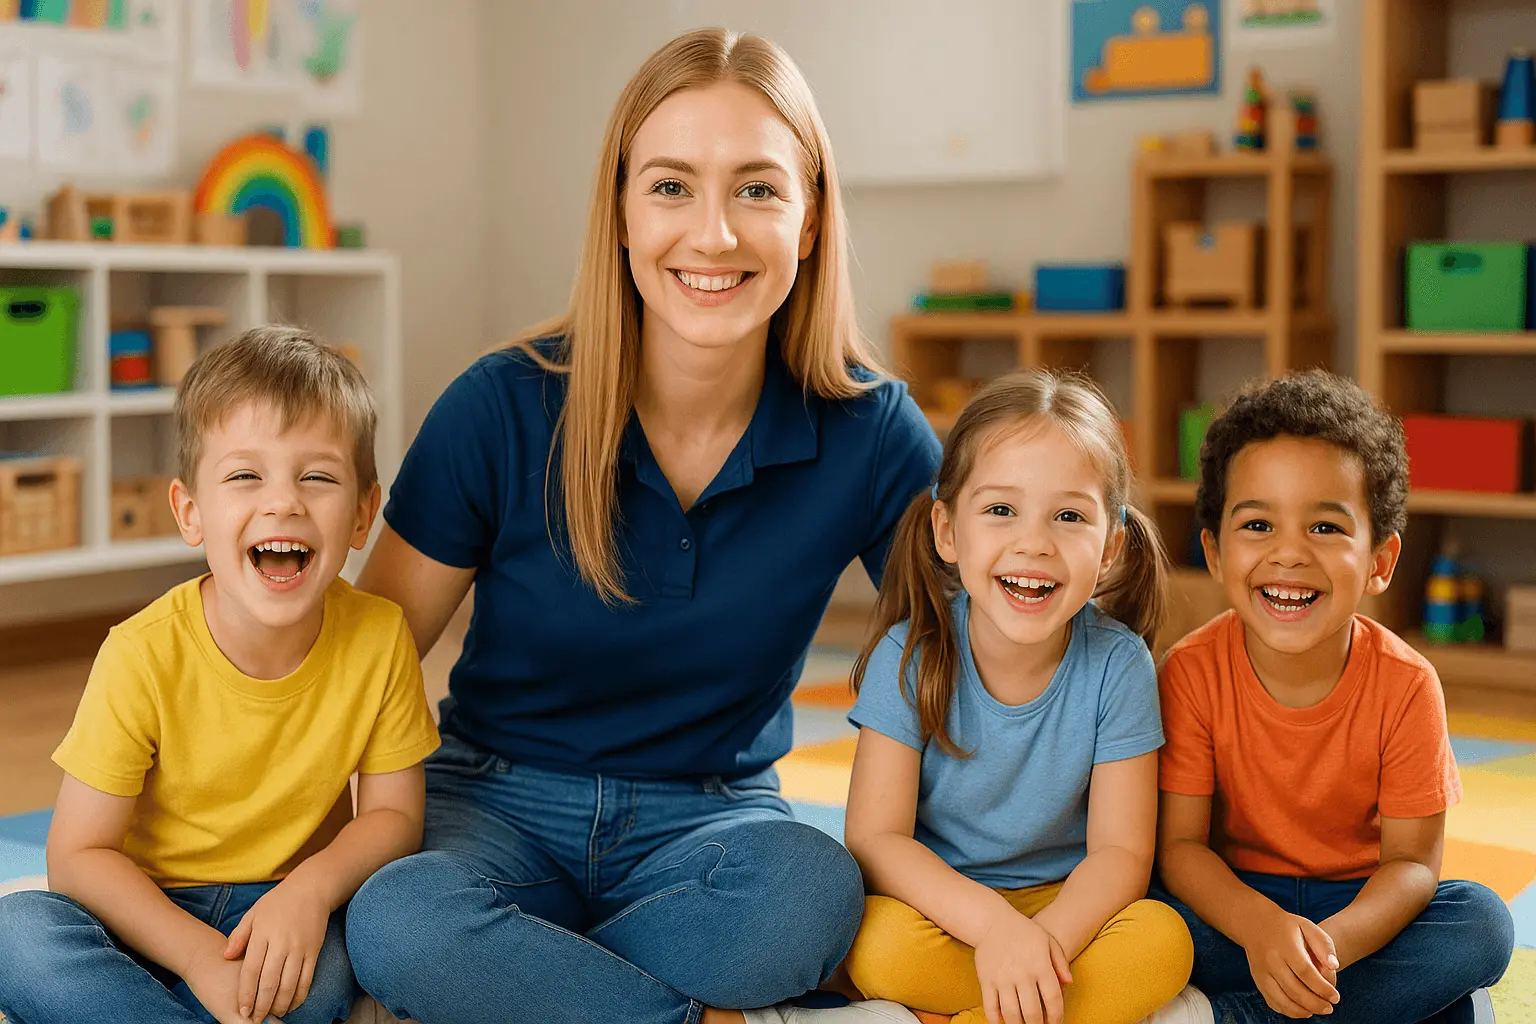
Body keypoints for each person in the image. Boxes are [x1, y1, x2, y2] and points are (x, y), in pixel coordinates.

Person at [342, 26, 942, 1024]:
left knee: (813, 895)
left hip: (713, 819)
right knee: (399, 920)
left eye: (757, 189)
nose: (713, 235)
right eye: (670, 187)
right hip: (491, 802)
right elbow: (365, 661)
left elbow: (976, 645)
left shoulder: (871, 429)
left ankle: (527, 987)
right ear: (620, 213)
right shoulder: (499, 404)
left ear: (808, 220)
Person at [0, 327, 441, 1024]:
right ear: (190, 512)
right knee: (15, 933)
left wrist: (308, 893)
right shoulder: (141, 653)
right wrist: (198, 958)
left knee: (347, 956)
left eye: (317, 477)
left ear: (363, 514)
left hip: (282, 909)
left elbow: (394, 815)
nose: (284, 502)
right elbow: (79, 856)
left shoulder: (380, 637)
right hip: (143, 911)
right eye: (245, 476)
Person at [1154, 370, 1515, 1024]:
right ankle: (1377, 1006)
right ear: (1215, 552)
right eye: (1258, 524)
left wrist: (1327, 950)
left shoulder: (1407, 685)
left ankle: (1238, 1017)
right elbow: (1181, 848)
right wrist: (1263, 929)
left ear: (1380, 561)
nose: (1289, 553)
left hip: (1359, 914)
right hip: (1237, 910)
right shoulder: (1189, 672)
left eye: (1325, 527)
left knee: (1482, 924)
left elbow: (1411, 864)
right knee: (1146, 920)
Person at [840, 369, 1196, 1024]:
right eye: (1001, 510)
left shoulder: (1120, 664)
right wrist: (996, 931)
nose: (1033, 543)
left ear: (1110, 548)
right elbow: (876, 839)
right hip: (945, 910)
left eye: (1069, 516)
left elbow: (1121, 855)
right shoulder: (909, 654)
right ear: (948, 530)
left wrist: (1039, 945)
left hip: (1066, 912)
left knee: (1162, 945)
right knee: (877, 945)